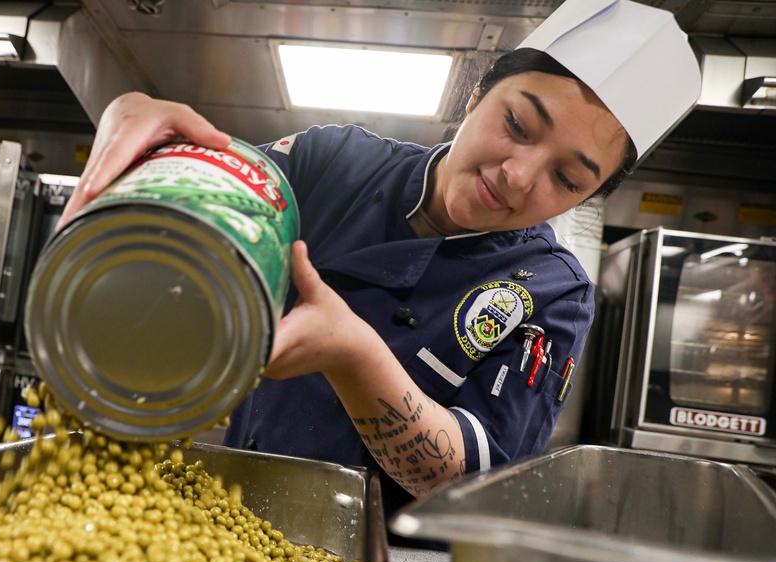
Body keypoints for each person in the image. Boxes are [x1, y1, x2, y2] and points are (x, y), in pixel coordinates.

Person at [54, 0, 702, 515]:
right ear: (477, 94)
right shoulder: (336, 160)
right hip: (227, 495)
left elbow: (481, 480)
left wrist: (354, 354)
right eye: (519, 125)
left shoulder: (555, 292)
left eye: (567, 178)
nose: (518, 175)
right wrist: (151, 139)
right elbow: (217, 206)